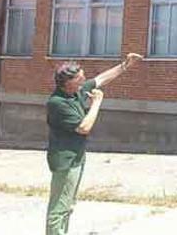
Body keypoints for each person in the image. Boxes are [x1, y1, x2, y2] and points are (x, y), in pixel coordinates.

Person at [45, 53, 143, 235]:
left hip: (77, 158)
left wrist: (125, 66)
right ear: (68, 82)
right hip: (65, 161)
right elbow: (84, 127)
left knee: (69, 204)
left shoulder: (76, 92)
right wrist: (97, 103)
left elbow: (101, 79)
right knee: (59, 207)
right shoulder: (57, 103)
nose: (84, 81)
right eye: (80, 78)